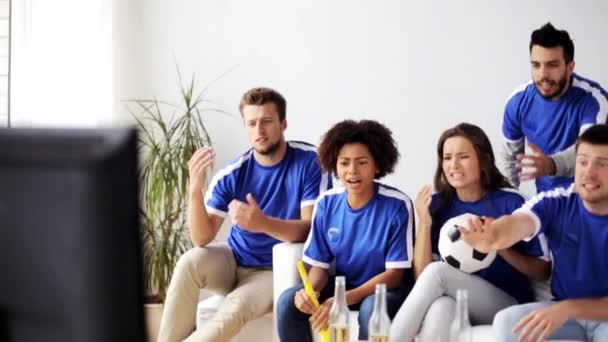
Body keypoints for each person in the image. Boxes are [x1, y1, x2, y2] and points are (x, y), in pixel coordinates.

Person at [157, 87, 330, 342]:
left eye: (267, 122)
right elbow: (201, 239)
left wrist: (263, 224)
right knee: (189, 262)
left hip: (273, 271)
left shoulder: (310, 163)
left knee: (234, 307)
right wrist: (194, 188)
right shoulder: (234, 172)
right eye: (252, 123)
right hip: (233, 261)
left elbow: (311, 229)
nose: (259, 131)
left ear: (283, 124)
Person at [390, 123, 551, 342]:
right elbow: (422, 277)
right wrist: (425, 223)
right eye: (447, 158)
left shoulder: (512, 201)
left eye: (463, 156)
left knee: (439, 273)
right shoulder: (438, 205)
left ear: (483, 159)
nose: (453, 165)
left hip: (507, 303)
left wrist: (497, 244)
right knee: (440, 306)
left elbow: (542, 271)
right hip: (457, 299)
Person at [461, 124, 608, 342]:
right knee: (506, 323)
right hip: (563, 311)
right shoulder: (557, 201)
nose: (588, 172)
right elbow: (518, 222)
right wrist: (493, 236)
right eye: (583, 162)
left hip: (599, 316)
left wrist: (570, 308)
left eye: (602, 164)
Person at [276, 119, 414, 341]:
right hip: (343, 285)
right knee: (287, 302)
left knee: (371, 310)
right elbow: (319, 266)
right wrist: (309, 292)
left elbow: (395, 275)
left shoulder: (398, 205)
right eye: (344, 163)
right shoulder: (326, 203)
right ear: (335, 165)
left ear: (377, 165)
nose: (352, 171)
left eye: (362, 162)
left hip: (385, 291)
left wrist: (343, 299)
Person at [499, 22, 608, 194]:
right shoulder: (517, 102)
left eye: (552, 65)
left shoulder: (594, 101)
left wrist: (551, 164)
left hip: (593, 201)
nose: (543, 75)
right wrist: (509, 200)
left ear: (570, 67)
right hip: (547, 204)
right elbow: (509, 160)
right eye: (536, 65)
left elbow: (589, 153)